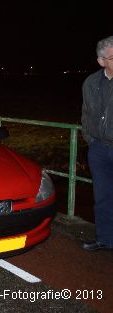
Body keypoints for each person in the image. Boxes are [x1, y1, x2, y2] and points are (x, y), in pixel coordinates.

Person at [81, 35, 113, 251]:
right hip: (99, 149)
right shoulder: (91, 82)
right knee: (102, 197)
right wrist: (91, 140)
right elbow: (85, 113)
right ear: (101, 61)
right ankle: (105, 239)